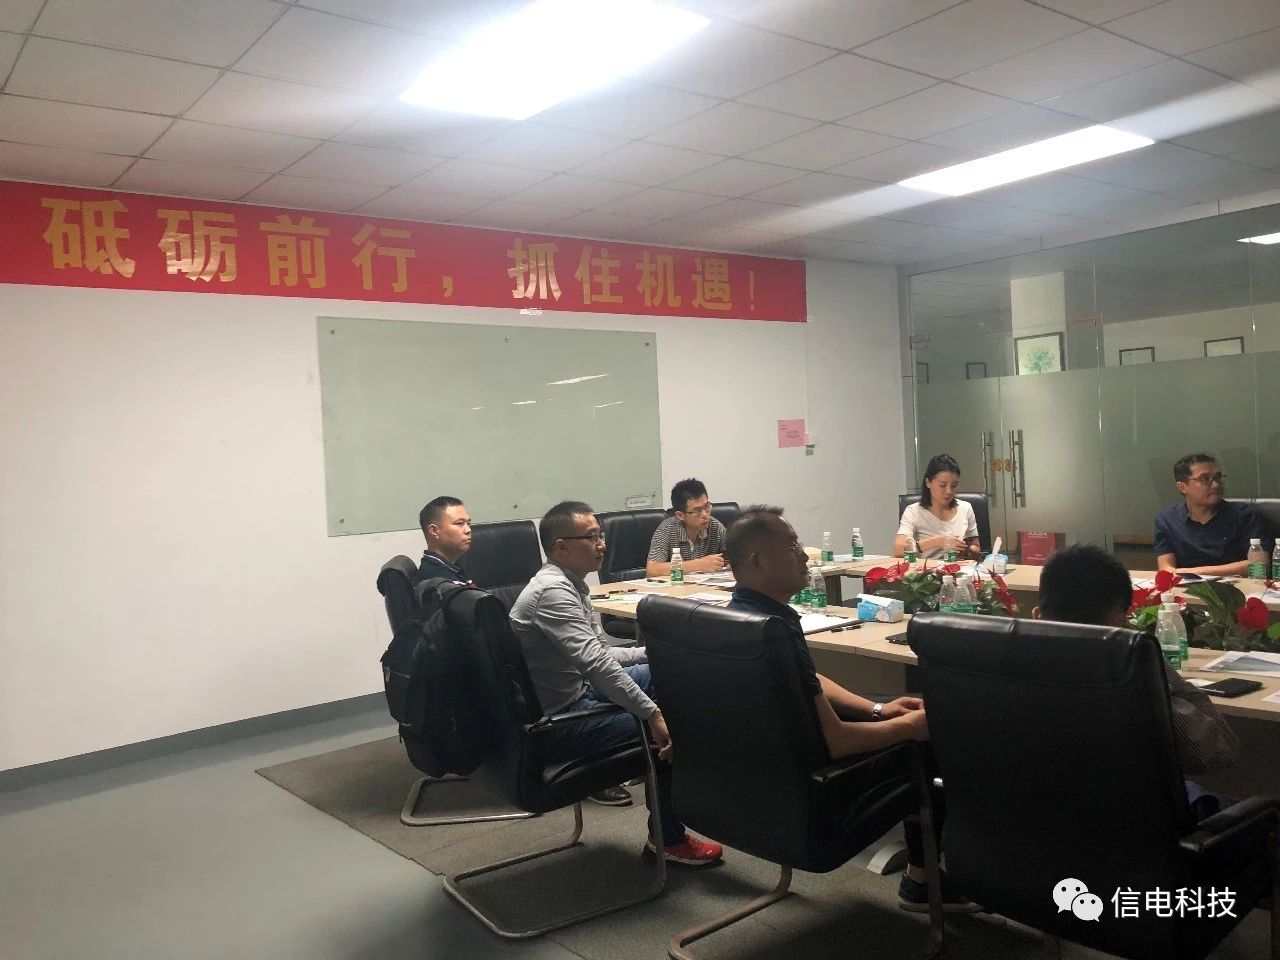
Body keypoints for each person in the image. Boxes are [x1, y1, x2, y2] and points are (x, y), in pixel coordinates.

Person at [724, 505, 979, 913]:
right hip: (814, 790)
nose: (804, 555)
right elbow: (838, 742)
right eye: (791, 546)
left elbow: (809, 681)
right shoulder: (775, 631)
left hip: (762, 778)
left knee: (900, 711)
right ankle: (923, 878)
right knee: (927, 737)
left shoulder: (741, 617)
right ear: (757, 562)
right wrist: (911, 727)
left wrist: (878, 710)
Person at [510, 500, 723, 865]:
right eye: (592, 537)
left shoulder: (567, 584)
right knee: (674, 724)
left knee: (675, 672)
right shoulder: (553, 593)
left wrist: (653, 654)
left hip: (581, 693)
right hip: (563, 721)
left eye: (601, 535)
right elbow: (597, 666)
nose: (602, 544)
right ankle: (667, 838)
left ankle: (700, 773)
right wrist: (652, 714)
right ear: (562, 546)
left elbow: (601, 654)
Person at [1036, 544, 1239, 818]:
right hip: (1136, 827)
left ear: (1037, 614)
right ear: (1119, 619)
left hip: (1036, 826)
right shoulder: (1129, 679)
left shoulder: (998, 667)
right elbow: (1218, 750)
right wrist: (1151, 661)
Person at [1155, 453, 1267, 577]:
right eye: (1205, 479)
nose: (1215, 484)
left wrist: (1195, 573)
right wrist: (1187, 575)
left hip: (1237, 586)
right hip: (1186, 586)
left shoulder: (1244, 514)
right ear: (1182, 487)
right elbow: (1165, 568)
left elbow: (1258, 564)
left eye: (1217, 478)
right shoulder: (1167, 519)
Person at [895, 454, 981, 561]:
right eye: (942, 485)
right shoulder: (914, 511)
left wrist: (967, 550)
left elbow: (976, 547)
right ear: (928, 483)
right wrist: (937, 542)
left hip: (959, 567)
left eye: (954, 486)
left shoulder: (965, 508)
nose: (949, 491)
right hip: (927, 569)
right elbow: (898, 549)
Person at [646, 478, 728, 577]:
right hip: (674, 585)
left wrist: (733, 562)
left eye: (706, 507)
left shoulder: (715, 526)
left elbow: (737, 553)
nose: (705, 515)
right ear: (680, 515)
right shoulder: (667, 529)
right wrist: (699, 565)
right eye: (697, 511)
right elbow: (652, 569)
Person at [418, 495, 472, 583]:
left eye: (468, 523)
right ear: (434, 531)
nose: (468, 530)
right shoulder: (441, 582)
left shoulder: (449, 568)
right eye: (459, 523)